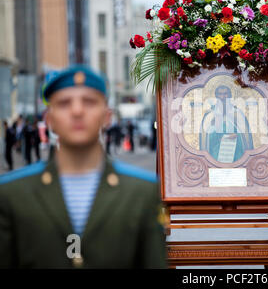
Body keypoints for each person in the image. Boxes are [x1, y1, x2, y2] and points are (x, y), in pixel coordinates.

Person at [0, 65, 167, 268]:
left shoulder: (142, 192)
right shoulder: (12, 194)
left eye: (89, 102)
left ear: (107, 117)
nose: (77, 111)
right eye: (64, 103)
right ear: (49, 120)